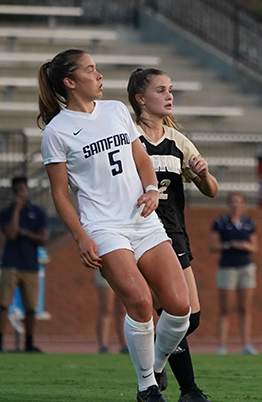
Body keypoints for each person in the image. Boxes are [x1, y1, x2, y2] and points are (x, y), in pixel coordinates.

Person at [38, 49, 191, 402]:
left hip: (142, 220)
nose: (99, 75)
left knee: (179, 307)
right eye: (91, 70)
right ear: (70, 82)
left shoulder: (116, 110)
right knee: (138, 301)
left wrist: (152, 189)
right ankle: (147, 388)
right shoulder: (57, 131)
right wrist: (81, 237)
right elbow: (60, 194)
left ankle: (153, 364)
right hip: (103, 227)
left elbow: (140, 158)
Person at [128, 67, 218, 402]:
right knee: (171, 312)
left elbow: (211, 190)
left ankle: (155, 360)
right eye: (161, 90)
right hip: (143, 233)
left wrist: (204, 174)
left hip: (175, 233)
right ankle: (188, 390)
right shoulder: (128, 136)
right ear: (140, 99)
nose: (169, 96)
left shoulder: (177, 140)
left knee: (189, 316)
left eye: (171, 90)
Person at [0, 176, 48, 353]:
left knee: (31, 307)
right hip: (10, 264)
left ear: (26, 190)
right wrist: (16, 212)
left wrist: (25, 232)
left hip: (30, 265)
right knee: (3, 304)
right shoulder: (6, 213)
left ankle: (29, 342)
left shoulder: (38, 212)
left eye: (22, 190)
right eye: (17, 191)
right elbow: (11, 235)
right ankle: (1, 342)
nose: (20, 194)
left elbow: (43, 239)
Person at [209, 192, 259, 355]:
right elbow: (212, 245)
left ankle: (246, 344)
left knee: (245, 307)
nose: (236, 205)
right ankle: (222, 345)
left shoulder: (248, 222)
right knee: (225, 308)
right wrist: (229, 244)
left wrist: (245, 245)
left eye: (239, 202)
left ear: (243, 204)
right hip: (227, 267)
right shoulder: (220, 222)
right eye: (233, 202)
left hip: (245, 266)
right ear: (228, 204)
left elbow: (254, 246)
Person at [94, 269, 128, 354]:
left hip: (123, 271)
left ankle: (124, 345)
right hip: (105, 269)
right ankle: (103, 346)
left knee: (123, 311)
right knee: (106, 309)